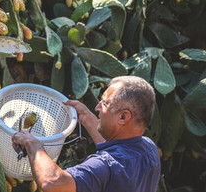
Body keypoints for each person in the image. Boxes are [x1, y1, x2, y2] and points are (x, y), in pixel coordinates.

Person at [12, 76, 161, 192]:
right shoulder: (149, 149)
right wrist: (85, 116)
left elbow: (52, 182)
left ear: (123, 117)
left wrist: (33, 144)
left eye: (104, 103)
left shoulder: (105, 166)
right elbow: (116, 147)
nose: (97, 107)